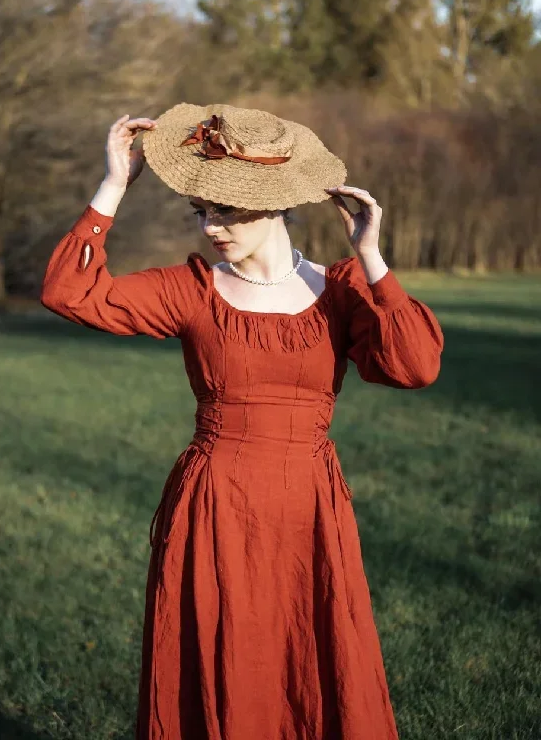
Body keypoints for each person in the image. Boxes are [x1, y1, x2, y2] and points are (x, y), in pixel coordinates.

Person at [40, 104, 445, 740]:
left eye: (224, 212)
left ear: (275, 206)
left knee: (313, 659)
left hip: (310, 508)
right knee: (218, 660)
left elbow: (415, 365)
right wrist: (113, 186)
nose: (210, 228)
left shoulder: (341, 289)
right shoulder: (191, 289)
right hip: (214, 507)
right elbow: (69, 293)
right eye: (201, 212)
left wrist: (371, 257)